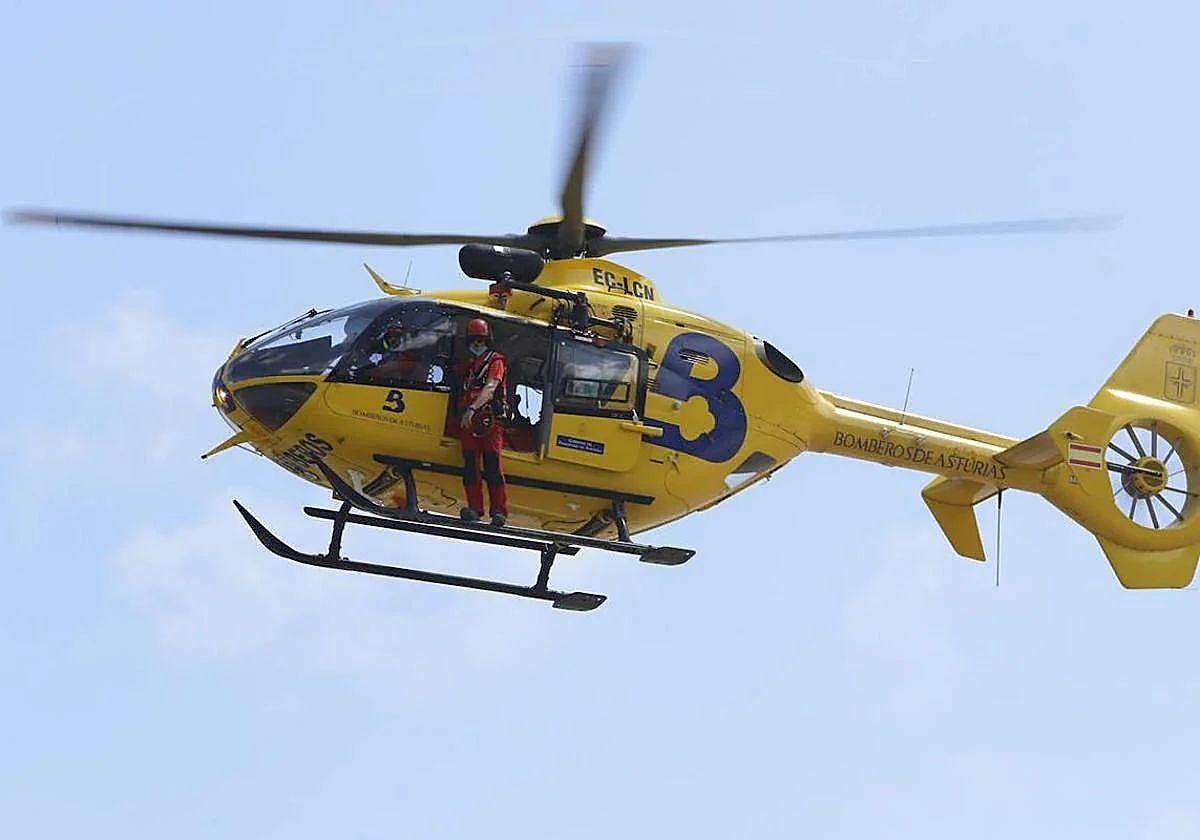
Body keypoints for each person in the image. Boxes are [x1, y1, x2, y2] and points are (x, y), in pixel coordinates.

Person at [457, 317, 509, 526]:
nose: (477, 344)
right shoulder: (471, 366)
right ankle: (475, 509)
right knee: (470, 466)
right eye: (474, 340)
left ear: (487, 341)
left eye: (481, 340)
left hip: (489, 422)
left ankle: (499, 512)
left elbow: (490, 388)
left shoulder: (496, 361)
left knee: (492, 467)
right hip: (470, 424)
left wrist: (471, 408)